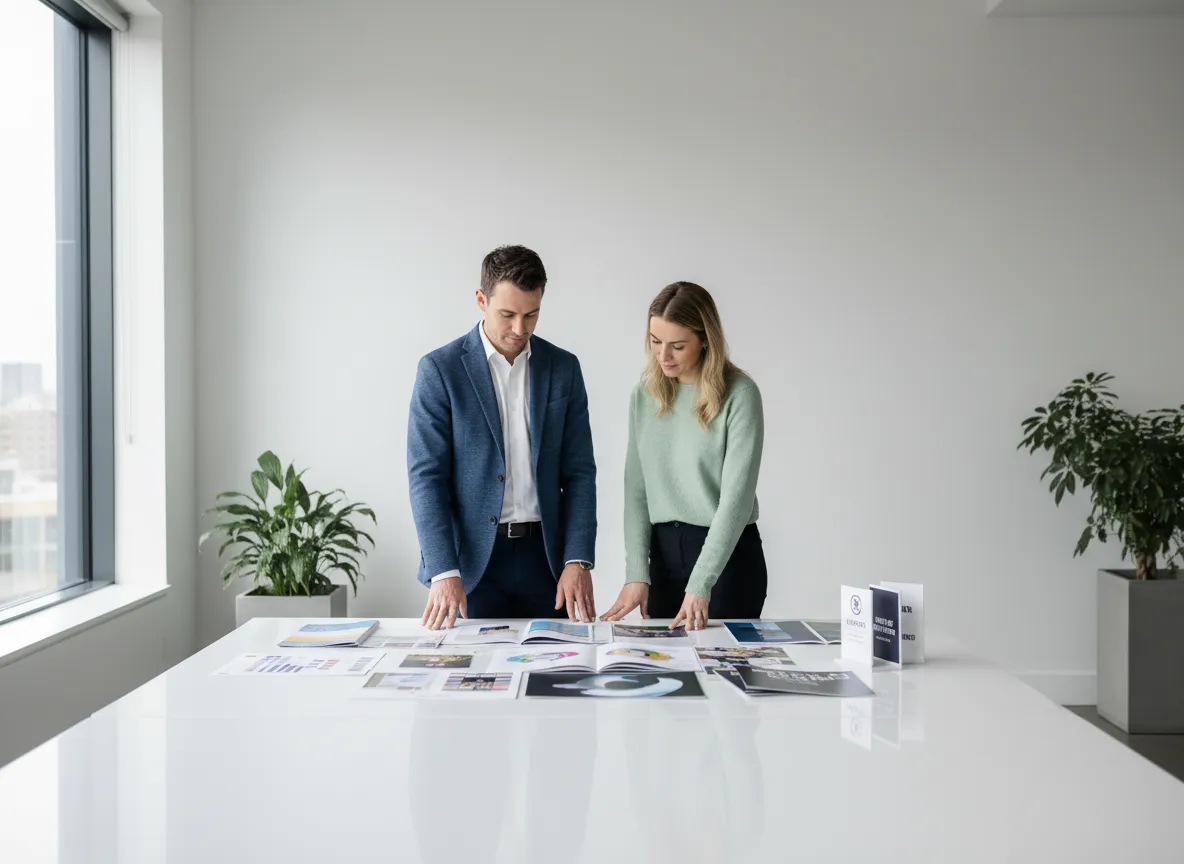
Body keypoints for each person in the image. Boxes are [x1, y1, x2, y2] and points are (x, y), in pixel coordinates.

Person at [408, 245, 597, 629]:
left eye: (531, 314)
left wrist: (577, 559)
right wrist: (443, 569)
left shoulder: (564, 369)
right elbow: (426, 477)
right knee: (472, 680)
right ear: (481, 300)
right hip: (472, 564)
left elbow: (579, 473)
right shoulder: (439, 370)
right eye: (507, 314)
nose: (520, 329)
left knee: (553, 677)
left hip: (546, 561)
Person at [600, 281, 766, 631]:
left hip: (725, 560)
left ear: (706, 339)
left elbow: (735, 502)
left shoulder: (740, 395)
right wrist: (636, 574)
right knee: (666, 675)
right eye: (655, 342)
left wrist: (701, 581)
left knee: (724, 675)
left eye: (677, 346)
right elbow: (636, 491)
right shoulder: (645, 394)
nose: (664, 357)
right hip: (663, 558)